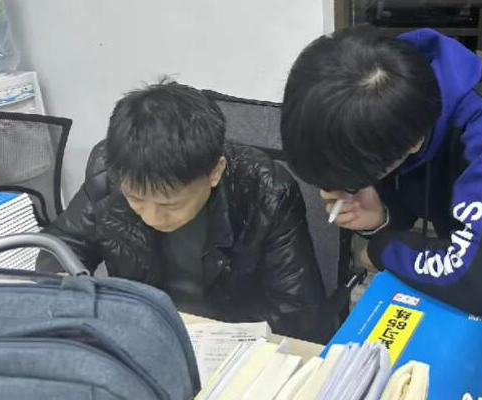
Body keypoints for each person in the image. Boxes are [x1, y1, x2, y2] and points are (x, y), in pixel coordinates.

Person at [280, 26, 482, 390]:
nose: (343, 190)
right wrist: (381, 218)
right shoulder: (394, 99)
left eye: (354, 179)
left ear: (410, 145)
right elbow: (415, 193)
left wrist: (381, 248)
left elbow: (480, 282)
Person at [40, 80, 327, 341]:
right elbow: (61, 245)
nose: (151, 217)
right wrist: (66, 283)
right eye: (136, 199)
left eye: (169, 204)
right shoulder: (109, 171)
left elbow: (297, 314)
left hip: (225, 343)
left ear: (215, 172)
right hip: (144, 332)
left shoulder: (266, 191)